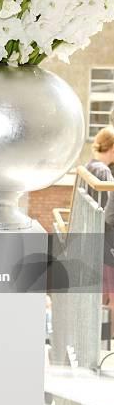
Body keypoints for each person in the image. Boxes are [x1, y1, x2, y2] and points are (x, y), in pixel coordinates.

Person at [85, 126, 114, 337]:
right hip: (104, 242)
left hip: (94, 241)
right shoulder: (103, 172)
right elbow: (107, 214)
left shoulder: (90, 166)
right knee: (109, 296)